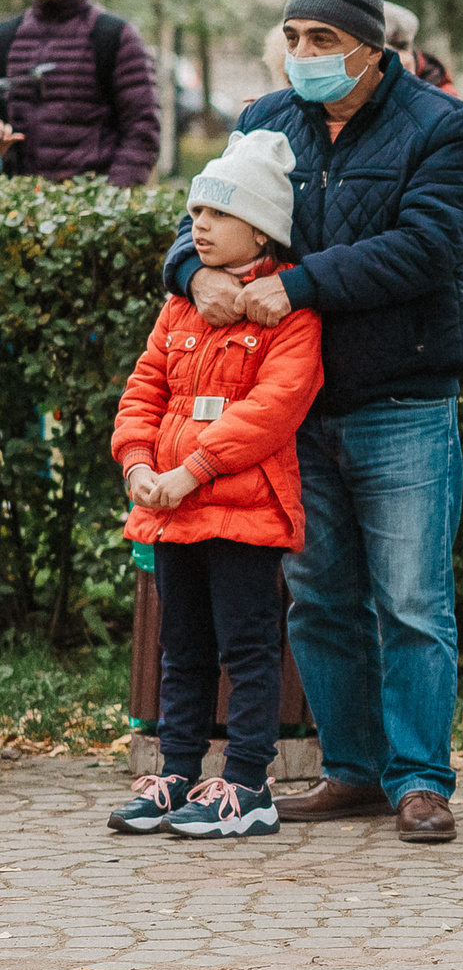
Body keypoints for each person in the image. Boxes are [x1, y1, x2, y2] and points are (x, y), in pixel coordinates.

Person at [161, 0, 463, 842]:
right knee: (319, 597)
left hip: (403, 397)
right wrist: (195, 274)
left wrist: (298, 283)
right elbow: (198, 225)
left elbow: (429, 248)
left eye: (324, 39)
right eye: (295, 37)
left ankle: (420, 778)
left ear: (373, 48)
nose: (304, 53)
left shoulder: (442, 126)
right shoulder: (266, 121)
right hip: (292, 407)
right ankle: (351, 770)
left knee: (413, 601)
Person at [107, 131, 325, 839]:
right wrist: (139, 463)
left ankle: (247, 785)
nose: (197, 224)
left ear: (259, 228)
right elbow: (143, 389)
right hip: (170, 512)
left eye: (216, 212)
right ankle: (177, 771)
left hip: (242, 515)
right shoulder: (181, 307)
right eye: (195, 209)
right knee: (183, 647)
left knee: (248, 648)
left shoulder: (290, 315)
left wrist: (191, 468)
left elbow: (272, 410)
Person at [3, 0, 160, 185]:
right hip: (16, 212)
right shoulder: (5, 37)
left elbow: (142, 132)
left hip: (90, 213)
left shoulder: (114, 36)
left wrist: (106, 209)